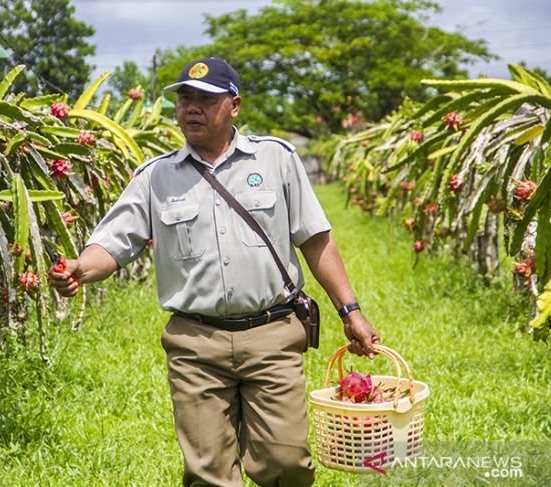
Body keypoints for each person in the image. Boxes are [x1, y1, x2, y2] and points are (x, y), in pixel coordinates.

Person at [49, 57, 381, 486]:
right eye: (184, 98)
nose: (191, 108)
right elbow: (114, 243)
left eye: (205, 99)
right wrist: (81, 267)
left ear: (234, 105)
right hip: (195, 343)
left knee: (286, 465)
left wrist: (350, 311)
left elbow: (315, 240)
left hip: (272, 334)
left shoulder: (275, 159)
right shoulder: (156, 177)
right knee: (207, 474)